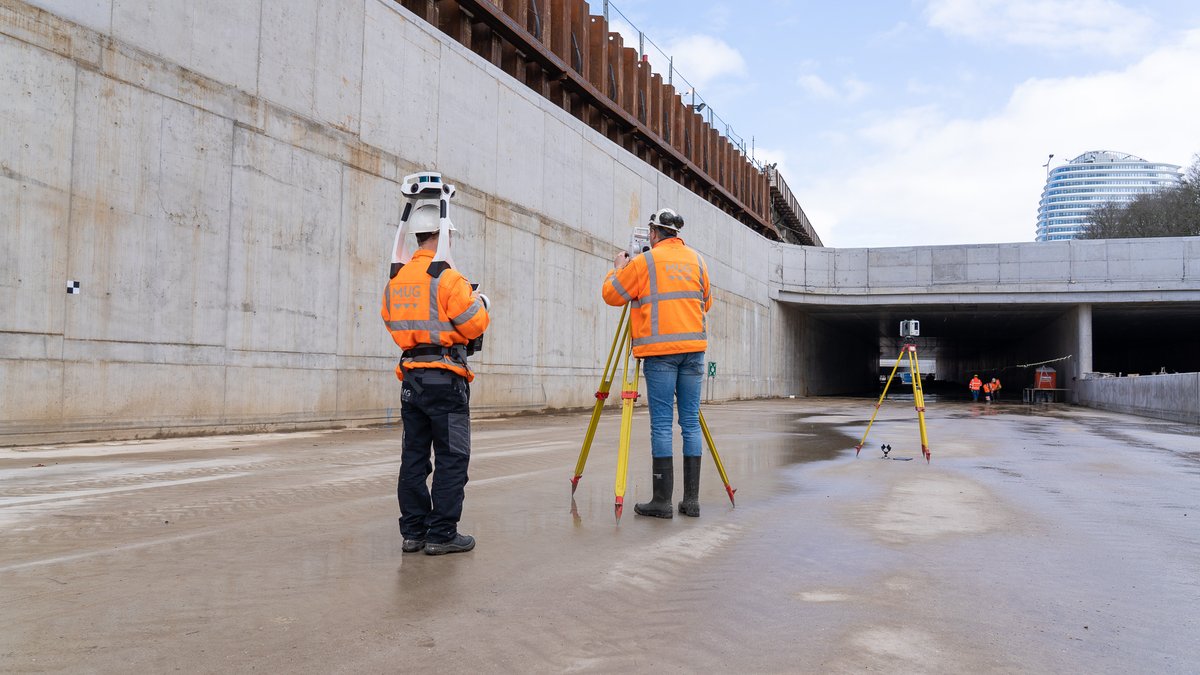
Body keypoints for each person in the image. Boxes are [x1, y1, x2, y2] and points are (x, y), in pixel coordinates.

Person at [381, 200, 489, 555]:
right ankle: (441, 533)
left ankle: (413, 532)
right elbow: (475, 324)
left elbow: (391, 321)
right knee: (452, 457)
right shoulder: (448, 278)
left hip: (411, 380)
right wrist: (480, 302)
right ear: (443, 235)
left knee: (413, 456)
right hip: (447, 380)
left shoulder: (396, 280)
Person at [602, 208, 712, 518]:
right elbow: (707, 302)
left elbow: (612, 295)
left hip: (660, 353)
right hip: (694, 352)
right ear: (677, 233)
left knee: (662, 424)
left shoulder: (644, 262)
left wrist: (616, 268)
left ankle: (662, 502)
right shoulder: (698, 261)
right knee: (690, 423)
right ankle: (691, 502)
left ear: (653, 233)